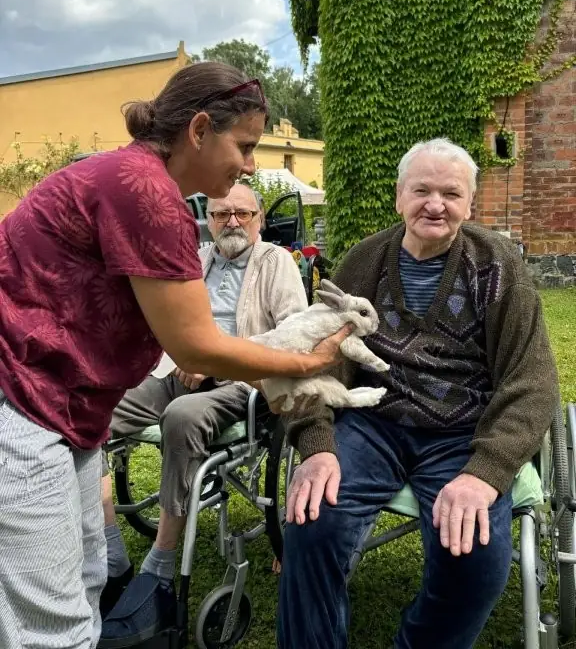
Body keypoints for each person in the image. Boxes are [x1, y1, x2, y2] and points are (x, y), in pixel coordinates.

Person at [0, 61, 350, 649]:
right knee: (47, 627)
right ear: (200, 129)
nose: (251, 165)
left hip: (62, 406)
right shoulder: (145, 192)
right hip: (21, 403)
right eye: (245, 145)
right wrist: (311, 365)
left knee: (82, 583)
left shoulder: (134, 177)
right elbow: (191, 344)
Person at [277, 137, 560, 649]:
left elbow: (532, 382)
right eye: (422, 190)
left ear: (470, 204)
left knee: (474, 557)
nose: (435, 205)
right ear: (398, 197)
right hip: (373, 423)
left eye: (451, 193)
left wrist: (485, 473)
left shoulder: (498, 266)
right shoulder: (364, 261)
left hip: (463, 433)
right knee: (312, 522)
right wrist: (316, 445)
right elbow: (318, 360)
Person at [98, 183, 308, 641]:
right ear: (207, 220)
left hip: (242, 382)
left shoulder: (277, 262)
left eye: (242, 213)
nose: (231, 222)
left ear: (259, 219)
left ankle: (161, 563)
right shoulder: (196, 260)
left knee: (182, 416)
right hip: (176, 370)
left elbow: (294, 334)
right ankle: (111, 551)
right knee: (92, 408)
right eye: (220, 214)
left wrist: (213, 359)